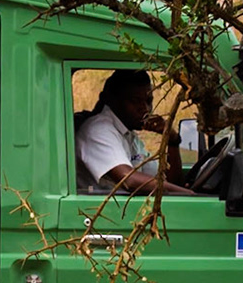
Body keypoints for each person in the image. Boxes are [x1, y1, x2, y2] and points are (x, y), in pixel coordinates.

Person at [77, 68, 192, 196]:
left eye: (148, 101)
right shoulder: (98, 130)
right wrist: (190, 195)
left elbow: (168, 182)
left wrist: (172, 140)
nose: (145, 109)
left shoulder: (129, 134)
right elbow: (129, 180)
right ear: (113, 100)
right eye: (135, 101)